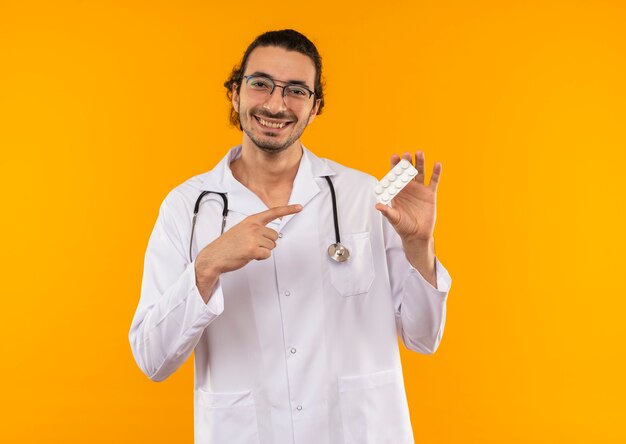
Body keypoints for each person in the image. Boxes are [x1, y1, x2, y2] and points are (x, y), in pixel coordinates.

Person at [129, 29, 452, 444]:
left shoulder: (362, 195)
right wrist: (208, 265)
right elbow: (152, 359)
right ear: (235, 94)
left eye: (296, 90)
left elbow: (423, 339)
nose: (276, 104)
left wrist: (419, 247)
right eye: (260, 84)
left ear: (315, 107)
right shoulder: (187, 207)